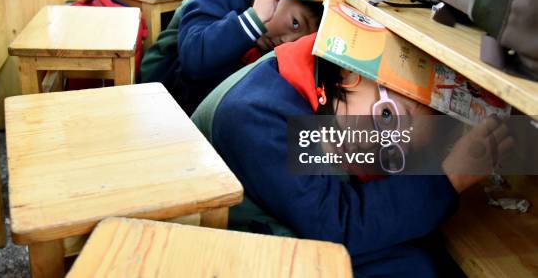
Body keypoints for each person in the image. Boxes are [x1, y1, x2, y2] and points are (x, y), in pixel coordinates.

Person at [191, 22, 514, 277]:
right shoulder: (256, 114)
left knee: (416, 256)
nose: (370, 146)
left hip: (267, 228)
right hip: (219, 253)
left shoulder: (310, 85)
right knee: (409, 265)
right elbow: (334, 223)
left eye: (391, 154)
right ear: (351, 71)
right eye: (387, 117)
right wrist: (450, 178)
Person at [140, 0, 323, 114]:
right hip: (162, 93)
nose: (287, 41)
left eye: (300, 41)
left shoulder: (273, 46)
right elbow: (194, 58)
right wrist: (256, 17)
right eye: (295, 23)